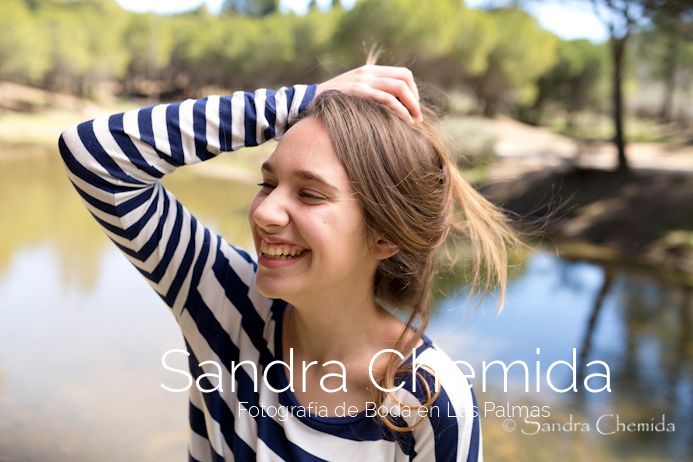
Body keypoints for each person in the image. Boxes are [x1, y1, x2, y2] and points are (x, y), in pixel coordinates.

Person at [58, 64, 516, 461]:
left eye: (310, 194)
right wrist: (303, 101)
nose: (264, 212)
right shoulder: (224, 301)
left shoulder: (430, 403)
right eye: (267, 183)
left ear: (384, 237)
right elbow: (94, 155)